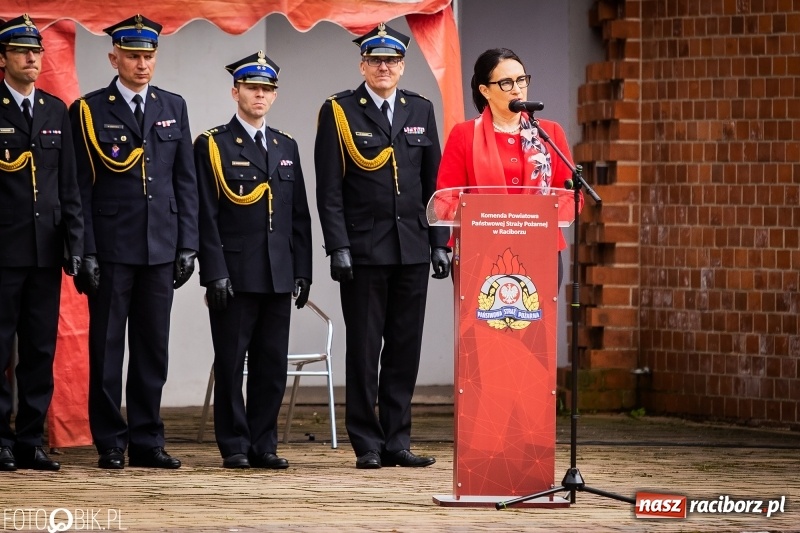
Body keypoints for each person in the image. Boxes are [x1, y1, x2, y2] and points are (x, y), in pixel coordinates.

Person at [314, 22, 450, 470]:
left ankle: (398, 440)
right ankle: (367, 443)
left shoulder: (420, 109)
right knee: (365, 347)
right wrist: (338, 246)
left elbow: (433, 185)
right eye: (376, 60)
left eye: (392, 61)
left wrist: (439, 241)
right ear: (363, 64)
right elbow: (330, 189)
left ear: (403, 66)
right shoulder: (339, 111)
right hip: (364, 248)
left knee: (404, 348)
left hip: (411, 246)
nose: (384, 67)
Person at [69, 14, 199, 470]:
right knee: (107, 348)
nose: (142, 65)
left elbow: (186, 180)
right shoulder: (89, 110)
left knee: (152, 347)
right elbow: (79, 187)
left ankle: (147, 439)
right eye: (133, 56)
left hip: (161, 245)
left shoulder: (172, 106)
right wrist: (83, 250)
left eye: (149, 56)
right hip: (110, 246)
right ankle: (110, 441)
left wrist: (189, 244)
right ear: (114, 57)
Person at [194, 51, 312, 470]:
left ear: (274, 95)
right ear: (235, 91)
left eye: (267, 89)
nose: (259, 95)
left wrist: (303, 270)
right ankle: (235, 444)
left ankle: (265, 443)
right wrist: (214, 272)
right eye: (252, 88)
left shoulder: (285, 145)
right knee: (230, 362)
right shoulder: (212, 143)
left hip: (278, 271)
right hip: (235, 273)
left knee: (271, 365)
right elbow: (204, 214)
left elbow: (298, 213)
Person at [0, 14, 83, 472]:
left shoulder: (55, 110)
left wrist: (75, 242)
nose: (32, 58)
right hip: (5, 249)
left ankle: (30, 439)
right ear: (4, 58)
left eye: (37, 52)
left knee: (39, 349)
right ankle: (0, 438)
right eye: (22, 51)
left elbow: (68, 185)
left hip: (45, 250)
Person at [436, 48, 582, 285]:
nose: (517, 88)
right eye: (506, 82)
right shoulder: (464, 135)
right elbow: (445, 199)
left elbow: (571, 196)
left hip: (540, 249)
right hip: (479, 253)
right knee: (486, 323)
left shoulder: (549, 133)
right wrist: (483, 220)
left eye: (521, 80)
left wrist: (537, 220)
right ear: (485, 90)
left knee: (535, 321)